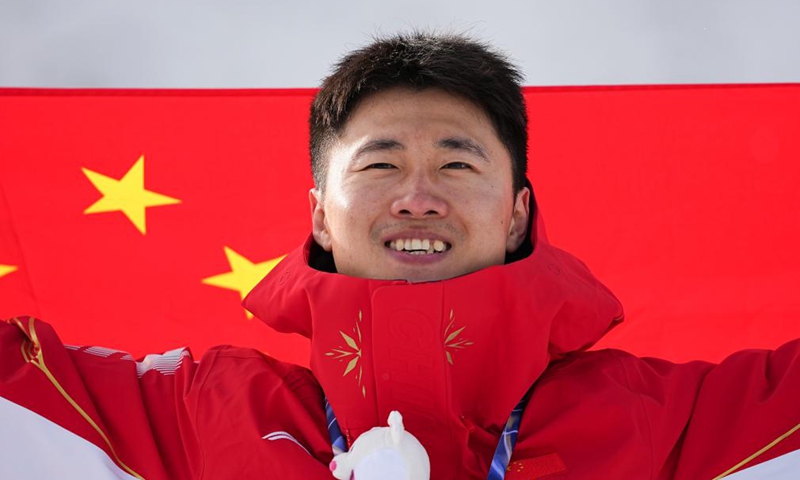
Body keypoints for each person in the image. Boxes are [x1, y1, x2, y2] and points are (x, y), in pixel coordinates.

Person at [1, 31, 800, 480]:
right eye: (380, 164)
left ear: (518, 213)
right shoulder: (200, 415)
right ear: (319, 217)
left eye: (457, 163)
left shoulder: (658, 423)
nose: (419, 198)